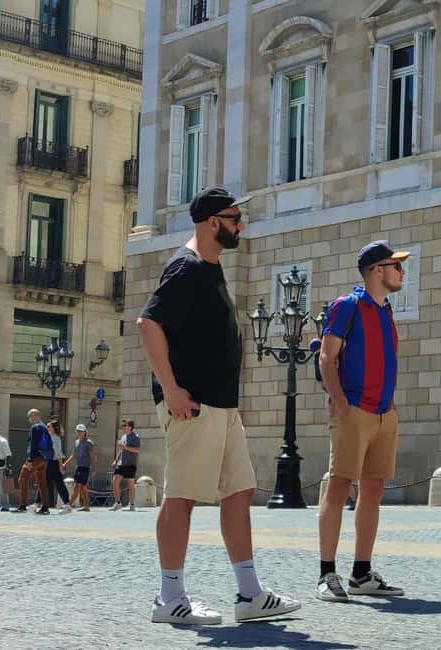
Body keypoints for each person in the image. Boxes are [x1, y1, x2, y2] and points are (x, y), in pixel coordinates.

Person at [137, 186, 300, 625]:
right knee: (182, 496)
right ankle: (169, 598)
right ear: (213, 222)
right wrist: (171, 389)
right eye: (233, 218)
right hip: (193, 403)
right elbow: (148, 324)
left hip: (222, 405)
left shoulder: (210, 267)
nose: (239, 225)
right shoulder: (186, 268)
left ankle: (249, 595)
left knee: (239, 491)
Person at [315, 240, 410, 603]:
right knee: (339, 489)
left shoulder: (386, 312)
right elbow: (327, 358)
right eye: (396, 266)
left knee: (373, 492)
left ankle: (361, 572)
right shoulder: (347, 306)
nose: (401, 272)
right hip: (354, 412)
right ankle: (327, 574)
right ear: (376, 270)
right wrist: (341, 405)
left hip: (385, 414)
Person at [15, 409, 51, 515]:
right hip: (44, 458)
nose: (29, 420)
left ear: (34, 415)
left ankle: (22, 505)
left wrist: (30, 459)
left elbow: (33, 444)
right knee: (42, 483)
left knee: (22, 478)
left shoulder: (35, 427)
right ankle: (45, 506)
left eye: (29, 417)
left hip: (35, 458)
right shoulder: (45, 427)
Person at [111, 419, 140, 511]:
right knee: (115, 481)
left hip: (130, 464)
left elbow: (136, 450)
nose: (123, 427)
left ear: (130, 427)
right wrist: (115, 461)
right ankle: (118, 503)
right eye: (122, 425)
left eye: (125, 425)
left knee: (130, 485)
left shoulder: (135, 437)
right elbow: (121, 450)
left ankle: (132, 505)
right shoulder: (123, 436)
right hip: (121, 464)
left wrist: (125, 447)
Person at [64, 424, 94, 511]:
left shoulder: (89, 442)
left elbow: (92, 456)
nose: (79, 433)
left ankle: (69, 504)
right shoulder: (76, 442)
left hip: (84, 467)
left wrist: (94, 468)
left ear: (85, 432)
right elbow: (73, 455)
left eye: (81, 431)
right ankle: (86, 506)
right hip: (78, 466)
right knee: (83, 488)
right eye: (78, 431)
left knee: (77, 486)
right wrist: (65, 463)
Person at [44, 420, 71, 513]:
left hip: (54, 463)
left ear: (53, 428)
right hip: (49, 462)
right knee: (44, 483)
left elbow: (58, 453)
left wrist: (61, 466)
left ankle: (67, 504)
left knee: (58, 484)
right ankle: (37, 503)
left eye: (49, 426)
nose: (47, 427)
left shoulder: (55, 438)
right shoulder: (49, 437)